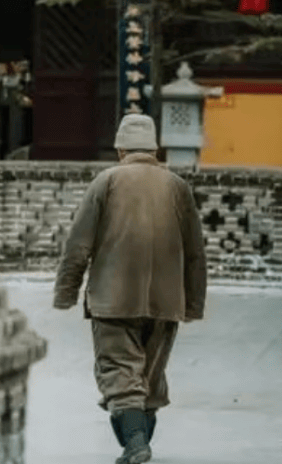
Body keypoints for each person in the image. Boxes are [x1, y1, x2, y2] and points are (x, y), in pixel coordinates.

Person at [53, 113, 207, 464]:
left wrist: (66, 291)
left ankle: (136, 445)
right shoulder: (177, 186)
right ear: (155, 149)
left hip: (114, 299)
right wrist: (193, 303)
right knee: (150, 377)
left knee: (120, 373)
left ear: (120, 149)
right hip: (166, 301)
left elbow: (78, 244)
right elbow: (195, 252)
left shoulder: (106, 182)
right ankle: (137, 446)